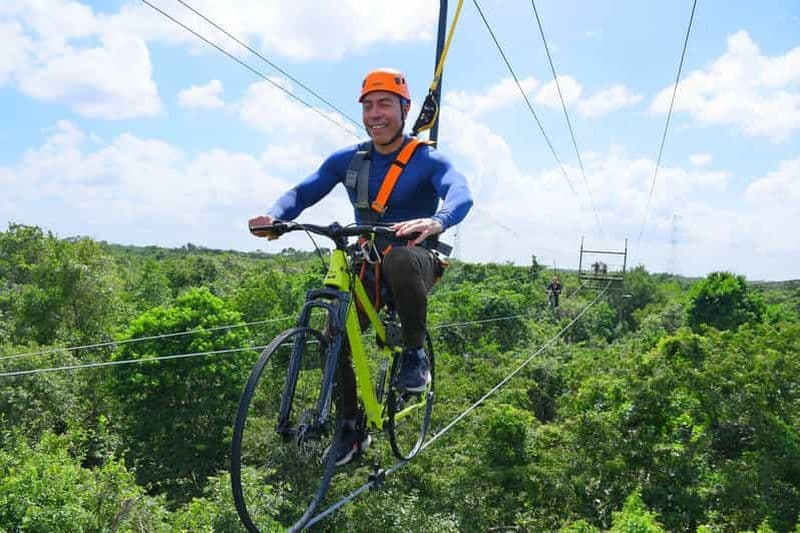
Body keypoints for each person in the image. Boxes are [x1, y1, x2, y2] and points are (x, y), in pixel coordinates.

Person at [248, 68, 473, 465]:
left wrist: (437, 220)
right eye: (368, 106)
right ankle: (350, 428)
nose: (375, 114)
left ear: (404, 110)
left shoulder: (426, 160)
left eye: (384, 104)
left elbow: (460, 191)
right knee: (333, 335)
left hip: (416, 256)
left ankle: (414, 354)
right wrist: (275, 216)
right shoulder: (349, 160)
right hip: (369, 259)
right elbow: (304, 190)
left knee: (401, 258)